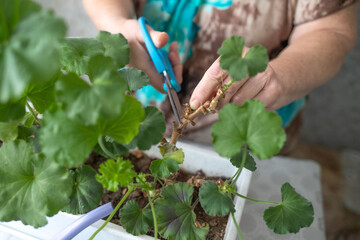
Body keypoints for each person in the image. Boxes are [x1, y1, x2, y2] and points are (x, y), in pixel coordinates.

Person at [83, 0, 358, 154]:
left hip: (245, 139)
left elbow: (332, 31)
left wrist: (281, 76)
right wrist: (116, 25)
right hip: (134, 119)